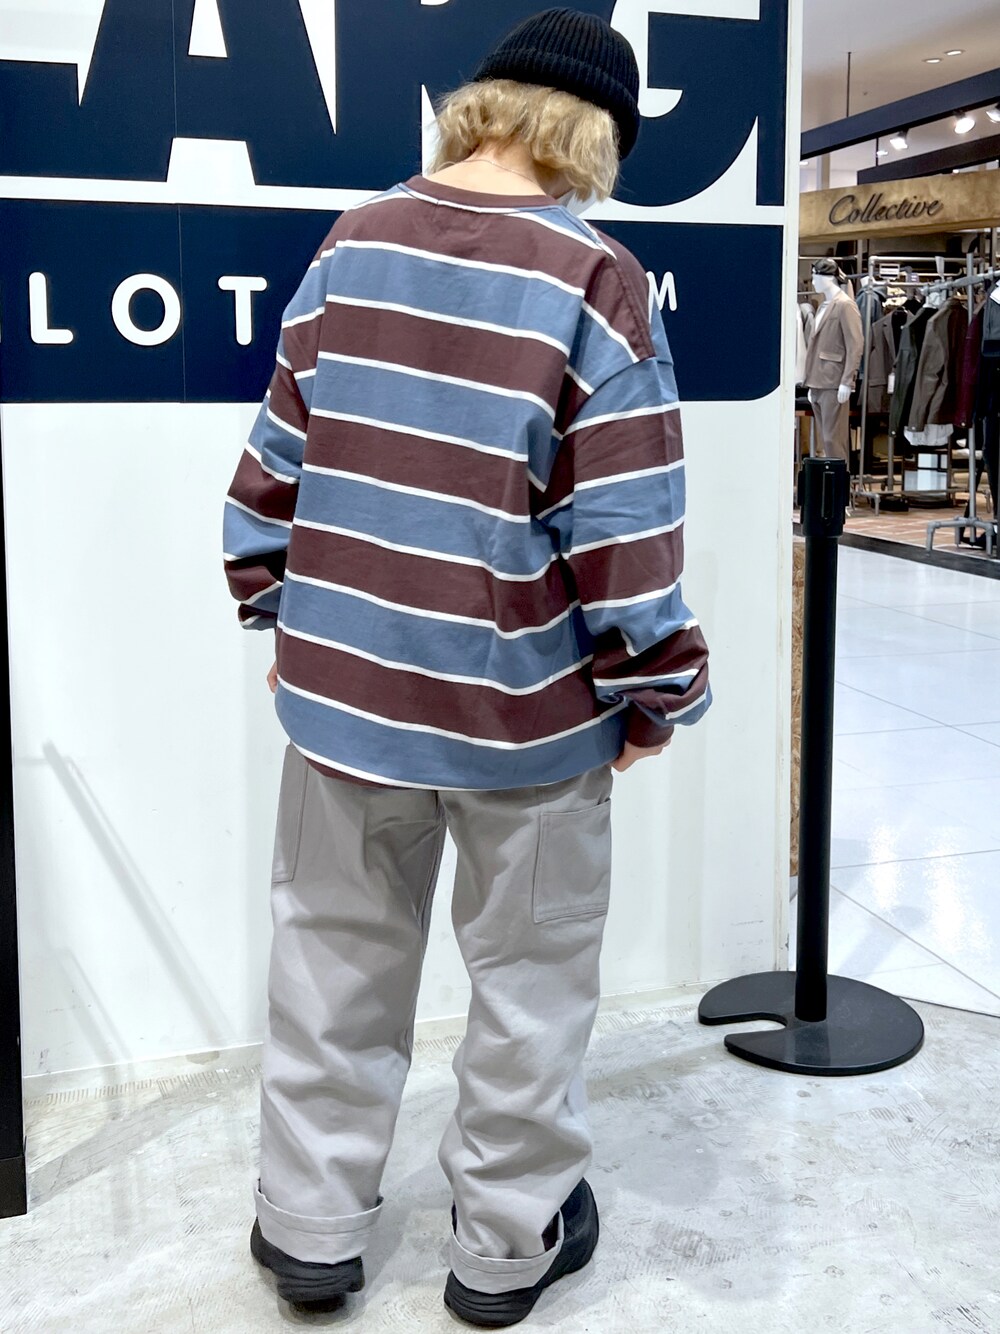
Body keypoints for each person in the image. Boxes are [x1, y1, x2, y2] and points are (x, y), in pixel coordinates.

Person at [222, 8, 711, 1326]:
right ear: (593, 135)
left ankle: (310, 1228)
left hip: (345, 697)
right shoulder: (595, 276)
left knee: (330, 964)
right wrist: (656, 690)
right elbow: (626, 531)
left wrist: (282, 614)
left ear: (481, 106)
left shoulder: (354, 240)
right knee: (529, 990)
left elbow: (277, 456)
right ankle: (502, 1249)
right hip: (524, 719)